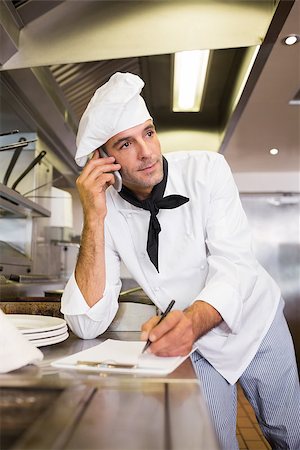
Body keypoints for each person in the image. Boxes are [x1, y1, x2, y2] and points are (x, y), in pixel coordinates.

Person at [61, 72, 300, 449]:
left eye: (149, 133)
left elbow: (235, 265)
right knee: (212, 441)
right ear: (103, 160)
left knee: (291, 435)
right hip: (193, 343)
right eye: (126, 143)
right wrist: (93, 215)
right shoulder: (104, 211)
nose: (147, 152)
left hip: (255, 323)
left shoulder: (208, 170)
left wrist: (191, 321)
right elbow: (87, 324)